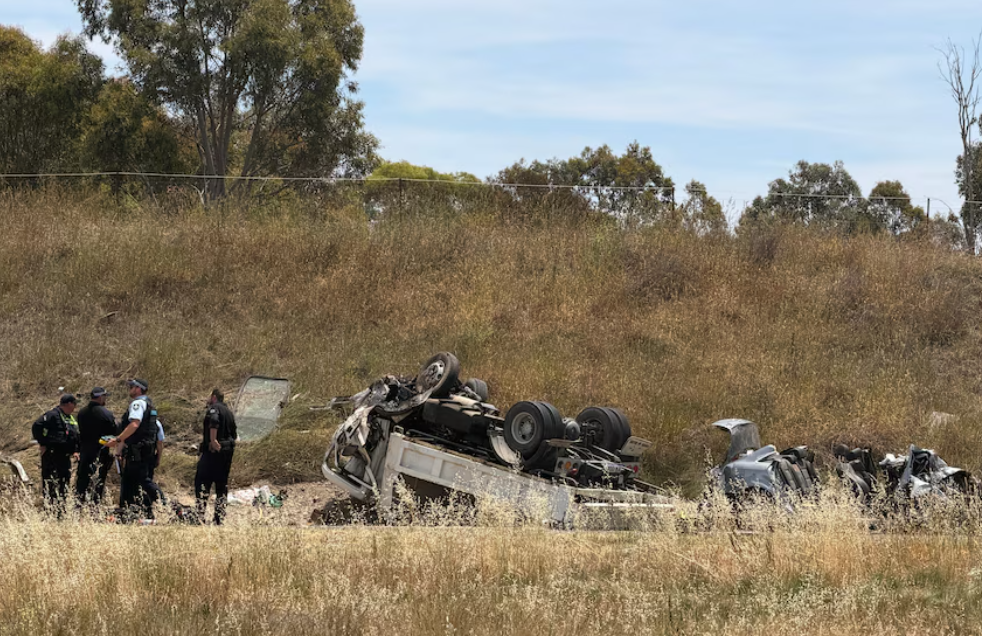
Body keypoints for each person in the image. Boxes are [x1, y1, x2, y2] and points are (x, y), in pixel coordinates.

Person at [106, 379, 160, 520]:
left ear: (138, 389)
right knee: (129, 480)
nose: (129, 388)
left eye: (132, 386)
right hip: (145, 449)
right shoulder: (150, 406)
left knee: (142, 480)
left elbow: (134, 425)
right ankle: (126, 512)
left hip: (138, 450)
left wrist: (117, 440)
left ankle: (166, 504)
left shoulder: (137, 404)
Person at [194, 389, 237, 525]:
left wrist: (213, 440)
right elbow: (234, 434)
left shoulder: (214, 409)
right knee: (221, 486)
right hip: (226, 453)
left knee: (202, 482)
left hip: (213, 452)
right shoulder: (229, 412)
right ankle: (219, 519)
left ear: (213, 397)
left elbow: (214, 421)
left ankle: (200, 516)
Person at [32, 394, 80, 514]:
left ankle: (61, 511)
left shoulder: (70, 418)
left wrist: (75, 450)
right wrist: (43, 443)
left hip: (65, 457)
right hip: (52, 455)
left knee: (64, 483)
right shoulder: (52, 415)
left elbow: (74, 435)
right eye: (74, 404)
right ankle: (50, 511)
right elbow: (37, 426)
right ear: (69, 404)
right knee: (51, 483)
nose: (75, 407)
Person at [74, 387, 117, 505]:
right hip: (100, 451)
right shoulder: (106, 413)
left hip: (85, 451)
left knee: (82, 481)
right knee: (98, 481)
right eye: (105, 396)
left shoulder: (81, 412)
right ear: (101, 397)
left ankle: (78, 505)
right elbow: (114, 432)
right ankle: (94, 507)